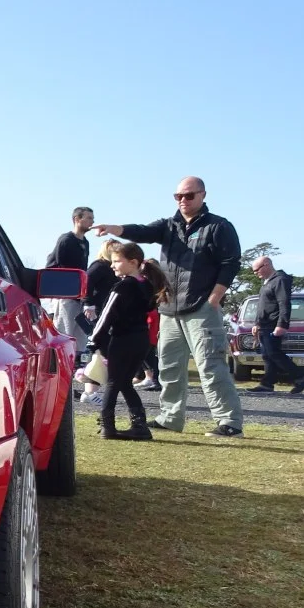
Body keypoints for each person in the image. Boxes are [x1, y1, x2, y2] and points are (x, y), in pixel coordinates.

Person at [93, 176, 244, 437]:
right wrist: (112, 228)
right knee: (170, 366)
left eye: (189, 196)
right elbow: (141, 231)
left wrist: (215, 298)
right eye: (178, 196)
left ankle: (229, 422)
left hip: (201, 307)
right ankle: (170, 418)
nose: (183, 201)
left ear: (203, 195)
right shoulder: (169, 226)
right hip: (170, 309)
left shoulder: (218, 226)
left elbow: (231, 262)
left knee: (210, 365)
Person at [88, 242, 170, 439]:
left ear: (132, 263)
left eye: (116, 261)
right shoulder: (147, 285)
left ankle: (107, 425)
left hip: (122, 340)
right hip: (140, 340)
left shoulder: (122, 286)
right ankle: (139, 425)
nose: (112, 265)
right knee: (125, 382)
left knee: (113, 382)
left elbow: (106, 316)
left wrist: (94, 341)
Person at [246, 255, 304, 394]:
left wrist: (282, 325)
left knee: (274, 353)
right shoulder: (267, 282)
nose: (255, 273)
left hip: (274, 324)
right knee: (267, 355)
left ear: (266, 265)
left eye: (257, 270)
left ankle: (300, 375)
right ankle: (267, 384)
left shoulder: (280, 280)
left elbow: (283, 303)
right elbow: (264, 306)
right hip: (264, 325)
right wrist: (257, 323)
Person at [46, 207, 94, 361]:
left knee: (79, 333)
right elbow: (57, 265)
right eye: (88, 218)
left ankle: (75, 363)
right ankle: (59, 361)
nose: (92, 222)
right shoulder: (66, 240)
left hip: (79, 295)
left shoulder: (85, 243)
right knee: (64, 331)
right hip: (65, 295)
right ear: (77, 219)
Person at [77, 239, 119, 403]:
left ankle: (90, 390)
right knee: (101, 352)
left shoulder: (110, 268)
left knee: (102, 352)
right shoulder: (100, 265)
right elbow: (86, 280)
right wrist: (88, 303)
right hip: (100, 313)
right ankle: (90, 392)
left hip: (107, 313)